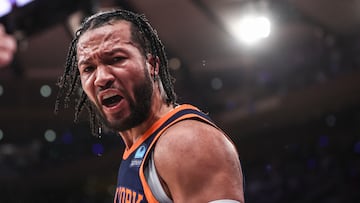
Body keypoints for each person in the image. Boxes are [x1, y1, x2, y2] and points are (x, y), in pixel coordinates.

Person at [55, 9, 245, 203]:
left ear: (152, 65)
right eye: (89, 68)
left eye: (117, 59)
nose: (102, 78)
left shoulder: (185, 143)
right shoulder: (141, 147)